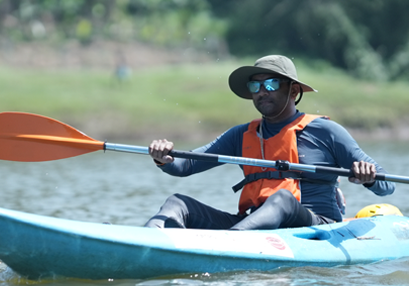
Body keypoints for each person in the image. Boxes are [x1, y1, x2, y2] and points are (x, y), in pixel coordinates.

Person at [145, 54, 395, 231]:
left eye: (272, 83)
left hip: (316, 228)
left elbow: (387, 185)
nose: (262, 91)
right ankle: (146, 240)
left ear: (293, 91)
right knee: (178, 203)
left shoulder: (326, 131)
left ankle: (229, 245)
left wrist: (369, 177)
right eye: (256, 85)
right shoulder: (241, 135)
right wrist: (164, 158)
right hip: (255, 227)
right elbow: (186, 165)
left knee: (282, 198)